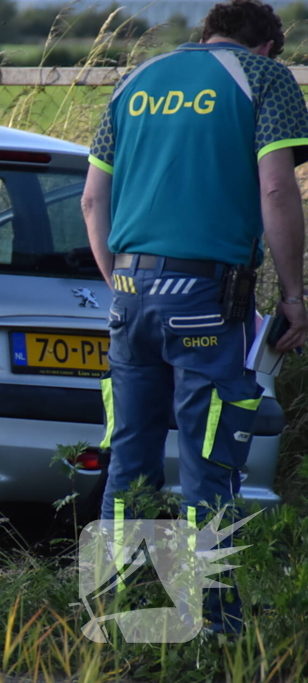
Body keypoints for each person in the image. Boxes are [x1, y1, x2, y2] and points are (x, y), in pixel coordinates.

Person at [82, 0, 308, 634]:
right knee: (211, 461)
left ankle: (116, 621)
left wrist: (121, 282)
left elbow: (92, 198)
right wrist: (293, 294)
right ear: (267, 46)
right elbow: (275, 189)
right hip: (207, 297)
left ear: (207, 34)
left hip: (129, 294)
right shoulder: (263, 78)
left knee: (129, 457)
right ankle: (209, 629)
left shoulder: (137, 81)